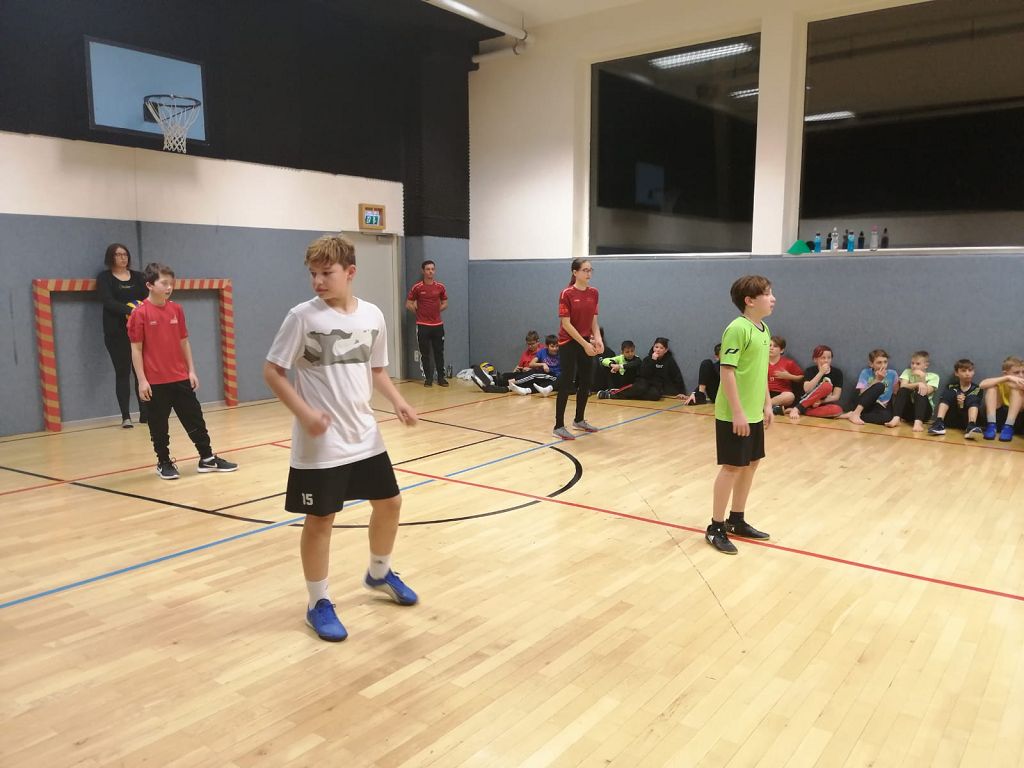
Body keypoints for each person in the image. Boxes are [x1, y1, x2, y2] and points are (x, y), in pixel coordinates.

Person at [263, 234, 419, 643]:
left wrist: (398, 401)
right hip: (322, 442)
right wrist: (305, 414)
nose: (318, 281)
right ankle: (318, 602)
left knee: (390, 503)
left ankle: (379, 572)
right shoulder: (302, 317)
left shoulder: (372, 315)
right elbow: (273, 372)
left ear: (350, 272)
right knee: (321, 520)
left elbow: (376, 369)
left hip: (365, 434)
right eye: (312, 274)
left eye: (326, 273)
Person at [128, 263, 238, 480]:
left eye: (171, 283)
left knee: (195, 418)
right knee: (158, 425)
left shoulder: (176, 309)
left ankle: (207, 458)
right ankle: (164, 462)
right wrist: (142, 380)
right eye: (164, 283)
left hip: (179, 377)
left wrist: (191, 371)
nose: (169, 287)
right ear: (150, 285)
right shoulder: (139, 314)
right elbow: (136, 349)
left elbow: (184, 341)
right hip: (155, 381)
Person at [706, 275, 774, 555]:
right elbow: (727, 371)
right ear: (750, 301)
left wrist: (767, 404)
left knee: (751, 464)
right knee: (732, 467)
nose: (773, 298)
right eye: (767, 293)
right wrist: (737, 412)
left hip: (754, 413)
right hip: (734, 414)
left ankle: (736, 519)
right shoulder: (737, 329)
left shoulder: (764, 329)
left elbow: (760, 371)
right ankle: (715, 527)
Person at [96, 243, 148, 428]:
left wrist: (140, 313)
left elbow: (147, 298)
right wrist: (130, 311)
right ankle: (126, 416)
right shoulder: (105, 278)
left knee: (141, 371)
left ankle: (145, 413)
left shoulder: (139, 277)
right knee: (123, 372)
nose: (122, 257)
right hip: (116, 332)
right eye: (118, 255)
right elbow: (108, 301)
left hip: (139, 331)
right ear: (111, 257)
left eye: (125, 254)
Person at [552, 258, 603, 440]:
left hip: (585, 341)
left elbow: (593, 320)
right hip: (568, 342)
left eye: (590, 270)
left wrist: (598, 339)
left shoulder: (594, 293)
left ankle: (579, 420)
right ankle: (558, 426)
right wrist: (585, 344)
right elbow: (566, 324)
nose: (588, 273)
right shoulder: (566, 293)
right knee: (567, 383)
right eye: (585, 270)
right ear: (575, 272)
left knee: (587, 381)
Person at [599, 338, 686, 401]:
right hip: (643, 381)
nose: (658, 350)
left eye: (661, 348)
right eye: (656, 347)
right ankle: (612, 394)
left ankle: (626, 394)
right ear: (653, 347)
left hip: (655, 385)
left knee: (655, 396)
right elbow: (644, 374)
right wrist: (653, 361)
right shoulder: (648, 359)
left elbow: (677, 376)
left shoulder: (669, 361)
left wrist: (682, 392)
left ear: (666, 350)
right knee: (641, 388)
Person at [406, 259, 448, 387]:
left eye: (432, 269)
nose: (430, 271)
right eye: (428, 269)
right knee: (425, 354)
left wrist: (436, 310)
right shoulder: (417, 287)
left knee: (439, 352)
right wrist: (419, 312)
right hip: (423, 326)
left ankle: (441, 378)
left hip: (437, 326)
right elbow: (408, 304)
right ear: (423, 271)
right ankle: (428, 379)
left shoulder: (440, 287)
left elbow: (445, 303)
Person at [928, 359, 983, 438]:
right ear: (956, 373)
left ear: (973, 372)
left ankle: (971, 426)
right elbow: (947, 399)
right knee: (949, 393)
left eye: (970, 370)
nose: (967, 373)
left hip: (966, 419)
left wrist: (963, 403)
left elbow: (974, 403)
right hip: (952, 419)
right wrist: (957, 401)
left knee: (972, 398)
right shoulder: (951, 386)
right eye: (963, 371)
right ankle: (939, 423)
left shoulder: (977, 388)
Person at [886, 350, 939, 432]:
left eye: (918, 364)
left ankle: (918, 423)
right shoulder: (907, 372)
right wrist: (918, 384)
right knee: (903, 390)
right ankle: (896, 418)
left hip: (924, 412)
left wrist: (922, 378)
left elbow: (927, 391)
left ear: (926, 365)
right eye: (912, 363)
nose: (914, 366)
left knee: (920, 392)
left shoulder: (934, 376)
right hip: (907, 412)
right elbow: (903, 386)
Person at [842, 349, 899, 425]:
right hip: (864, 404)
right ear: (871, 364)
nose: (883, 365)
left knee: (887, 418)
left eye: (885, 362)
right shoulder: (865, 372)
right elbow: (862, 393)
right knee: (880, 386)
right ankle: (856, 413)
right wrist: (877, 380)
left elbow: (896, 393)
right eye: (879, 362)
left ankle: (853, 415)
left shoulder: (893, 374)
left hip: (880, 406)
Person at [787, 344, 844, 420]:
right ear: (815, 359)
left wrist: (821, 401)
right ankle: (797, 409)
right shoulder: (810, 371)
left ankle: (803, 411)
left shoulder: (837, 373)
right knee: (827, 386)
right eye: (823, 358)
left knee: (837, 410)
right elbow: (807, 389)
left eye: (829, 358)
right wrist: (821, 372)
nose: (826, 360)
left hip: (822, 404)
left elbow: (836, 396)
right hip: (806, 402)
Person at [980, 355, 1024, 441]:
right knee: (992, 388)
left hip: (1016, 420)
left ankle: (1008, 427)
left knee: (1017, 390)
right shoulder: (1003, 381)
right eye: (1016, 373)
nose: (1021, 376)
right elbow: (982, 385)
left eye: (1023, 372)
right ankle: (991, 425)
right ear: (1005, 373)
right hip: (998, 418)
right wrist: (1007, 378)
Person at [767, 336, 803, 414]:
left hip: (782, 394)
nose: (771, 348)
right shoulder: (762, 362)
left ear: (782, 350)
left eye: (775, 346)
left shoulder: (789, 363)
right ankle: (775, 409)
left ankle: (764, 407)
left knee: (790, 396)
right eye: (769, 345)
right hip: (765, 392)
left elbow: (801, 378)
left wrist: (788, 376)